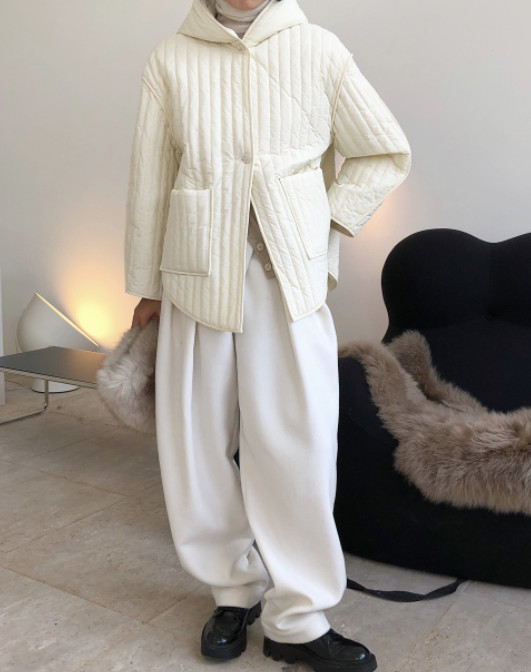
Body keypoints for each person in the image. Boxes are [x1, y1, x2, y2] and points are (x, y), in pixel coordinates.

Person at [124, 0, 412, 670]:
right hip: (195, 277)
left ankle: (299, 620)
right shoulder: (171, 58)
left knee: (298, 447)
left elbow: (382, 151)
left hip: (287, 283)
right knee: (195, 448)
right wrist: (148, 285)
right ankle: (232, 591)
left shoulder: (319, 49)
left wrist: (321, 223)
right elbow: (150, 180)